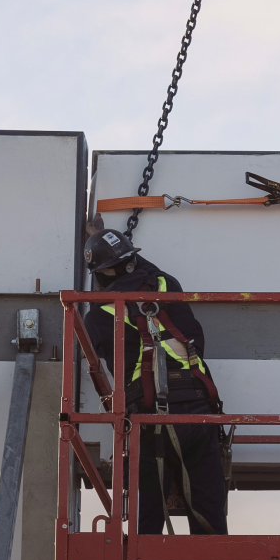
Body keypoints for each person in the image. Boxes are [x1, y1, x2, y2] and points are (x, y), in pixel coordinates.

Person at [83, 223, 228, 538]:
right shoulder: (165, 284)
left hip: (149, 419)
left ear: (100, 275)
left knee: (148, 517)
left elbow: (112, 365)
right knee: (209, 513)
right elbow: (146, 271)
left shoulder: (97, 315)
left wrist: (96, 243)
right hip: (198, 409)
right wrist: (114, 245)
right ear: (132, 261)